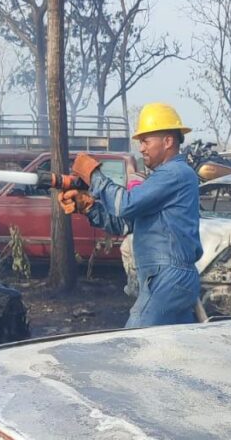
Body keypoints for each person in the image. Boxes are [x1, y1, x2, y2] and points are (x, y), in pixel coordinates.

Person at [60, 103, 203, 327]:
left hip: (167, 277)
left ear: (168, 141)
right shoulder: (166, 178)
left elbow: (125, 204)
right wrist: (88, 207)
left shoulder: (174, 173)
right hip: (169, 278)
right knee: (171, 354)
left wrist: (94, 176)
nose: (142, 148)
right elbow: (125, 224)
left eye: (146, 141)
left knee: (134, 345)